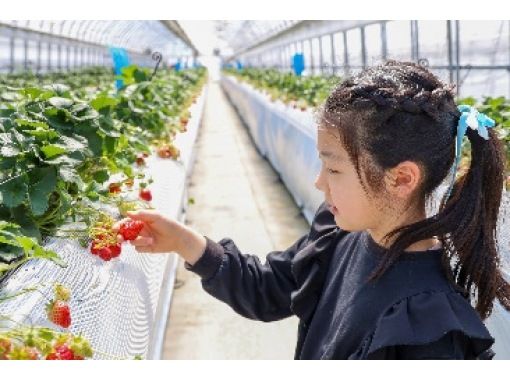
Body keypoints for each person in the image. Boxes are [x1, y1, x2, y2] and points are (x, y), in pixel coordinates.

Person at [115, 60, 510, 359]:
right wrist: (188, 244)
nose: (319, 182)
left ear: (402, 179)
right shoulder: (340, 232)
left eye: (334, 167)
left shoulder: (427, 329)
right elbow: (271, 287)